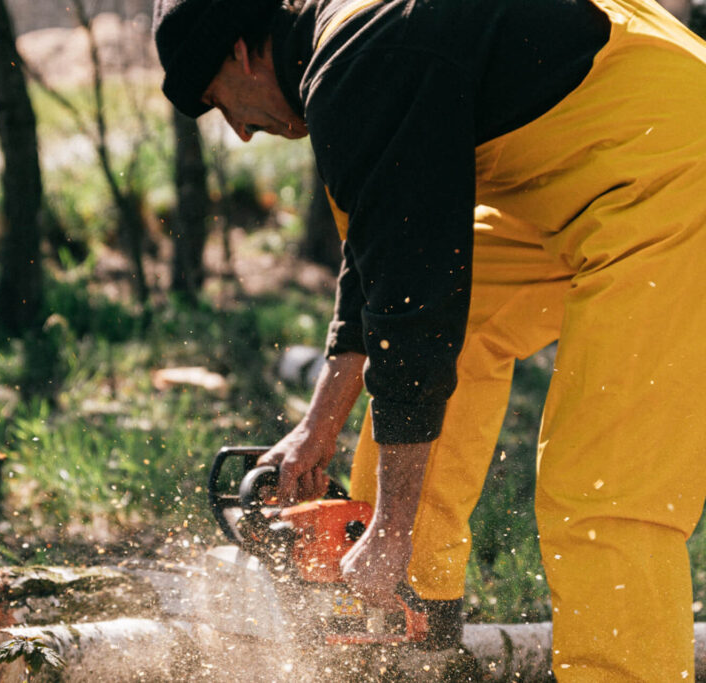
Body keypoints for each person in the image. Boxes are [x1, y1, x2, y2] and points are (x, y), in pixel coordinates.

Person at [153, 0, 706, 678]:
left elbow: (416, 315)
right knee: (455, 332)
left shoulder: (358, 65)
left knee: (601, 491)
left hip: (676, 172)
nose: (239, 131)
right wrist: (318, 425)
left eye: (221, 102)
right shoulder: (346, 47)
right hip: (593, 160)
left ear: (242, 51)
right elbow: (380, 269)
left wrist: (391, 521)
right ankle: (405, 619)